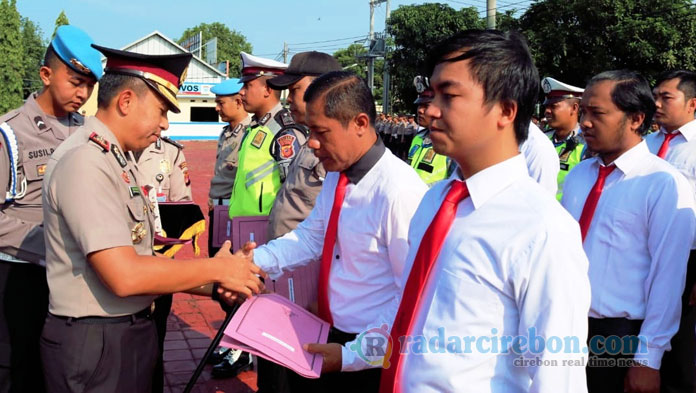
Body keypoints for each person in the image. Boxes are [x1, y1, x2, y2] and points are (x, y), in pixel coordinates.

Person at [40, 45, 264, 393]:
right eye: (160, 110)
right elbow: (125, 275)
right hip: (97, 341)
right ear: (126, 101)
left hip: (125, 333)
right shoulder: (87, 161)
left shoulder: (118, 159)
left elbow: (143, 258)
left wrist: (215, 287)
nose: (164, 123)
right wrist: (217, 270)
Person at [379, 29, 591, 393]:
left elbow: (557, 375)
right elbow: (413, 312)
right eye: (432, 95)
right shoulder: (435, 201)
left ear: (505, 111)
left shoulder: (541, 228)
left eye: (449, 96)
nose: (430, 111)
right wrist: (353, 353)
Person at [246, 71, 428, 392]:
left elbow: (409, 296)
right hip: (332, 335)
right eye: (309, 131)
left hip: (370, 351)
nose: (312, 143)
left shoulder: (399, 192)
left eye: (321, 132)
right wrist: (252, 262)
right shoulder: (338, 173)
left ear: (359, 123)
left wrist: (350, 356)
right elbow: (312, 237)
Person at [561, 70, 696, 393]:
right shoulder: (580, 175)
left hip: (618, 336)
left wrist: (647, 359)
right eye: (583, 112)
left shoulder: (661, 183)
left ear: (635, 118)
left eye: (598, 113)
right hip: (566, 326)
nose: (585, 123)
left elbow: (667, 277)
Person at [0, 25, 102, 393]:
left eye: (89, 86)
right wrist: (49, 246)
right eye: (75, 81)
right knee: (17, 369)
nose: (83, 93)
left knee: (61, 370)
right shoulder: (11, 133)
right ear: (46, 74)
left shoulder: (89, 132)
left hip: (73, 279)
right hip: (21, 276)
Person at [246, 50, 342, 393]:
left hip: (307, 280)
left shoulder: (337, 153)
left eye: (295, 90)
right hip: (286, 263)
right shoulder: (309, 142)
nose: (288, 99)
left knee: (297, 363)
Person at [214, 52, 307, 378]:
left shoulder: (284, 132)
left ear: (268, 89)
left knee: (274, 322)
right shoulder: (256, 128)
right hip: (247, 235)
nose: (242, 93)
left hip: (271, 240)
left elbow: (295, 194)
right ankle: (242, 354)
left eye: (249, 85)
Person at [645, 69, 696, 393]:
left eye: (666, 97)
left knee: (682, 353)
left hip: (688, 260)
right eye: (655, 96)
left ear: (692, 104)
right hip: (643, 257)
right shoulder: (646, 144)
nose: (657, 103)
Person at [129, 134, 192, 393]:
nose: (162, 121)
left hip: (160, 259)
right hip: (121, 257)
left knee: (156, 332)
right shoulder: (111, 149)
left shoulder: (170, 152)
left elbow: (182, 205)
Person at [207, 78, 249, 257]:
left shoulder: (250, 133)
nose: (217, 108)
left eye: (220, 103)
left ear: (238, 102)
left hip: (234, 213)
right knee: (214, 257)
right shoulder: (226, 132)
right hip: (218, 211)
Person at [541, 77, 588, 200]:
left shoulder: (587, 145)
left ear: (574, 108)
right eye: (546, 106)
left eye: (553, 106)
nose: (547, 111)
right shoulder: (542, 139)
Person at [407, 76, 450, 186]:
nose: (420, 111)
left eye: (426, 106)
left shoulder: (450, 142)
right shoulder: (418, 137)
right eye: (419, 105)